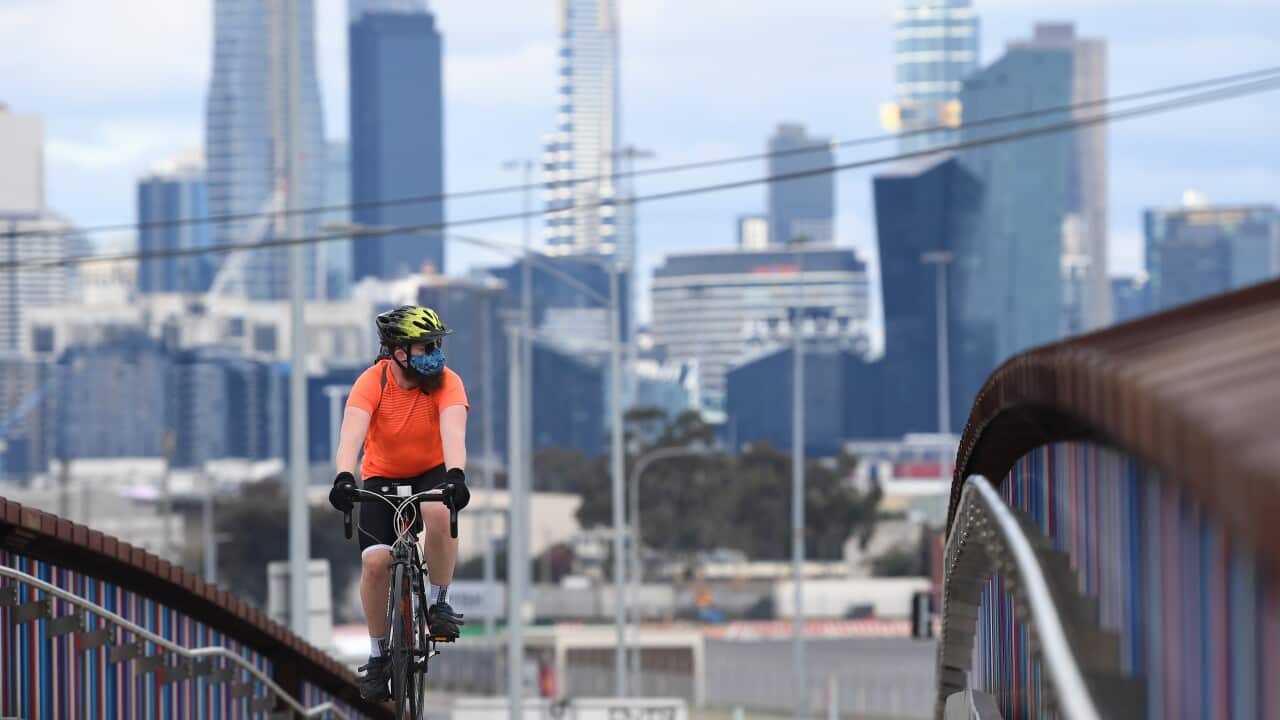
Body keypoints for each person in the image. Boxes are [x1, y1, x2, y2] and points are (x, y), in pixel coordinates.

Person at [328, 305, 471, 701]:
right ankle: (377, 657)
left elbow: (453, 433)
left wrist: (456, 475)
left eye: (436, 344)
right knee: (375, 563)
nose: (435, 353)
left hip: (432, 469)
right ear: (399, 352)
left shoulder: (448, 383)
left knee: (438, 510)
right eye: (426, 346)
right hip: (381, 476)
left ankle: (439, 603)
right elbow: (350, 437)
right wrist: (344, 477)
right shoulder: (371, 383)